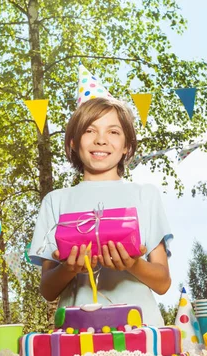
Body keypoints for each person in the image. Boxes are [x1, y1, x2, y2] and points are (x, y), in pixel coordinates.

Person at [29, 67, 173, 326]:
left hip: (141, 329)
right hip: (78, 335)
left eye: (113, 132)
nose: (101, 140)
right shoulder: (55, 201)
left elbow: (163, 282)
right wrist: (70, 268)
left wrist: (132, 264)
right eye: (89, 130)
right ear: (73, 142)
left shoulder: (146, 195)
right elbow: (48, 290)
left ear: (127, 145)